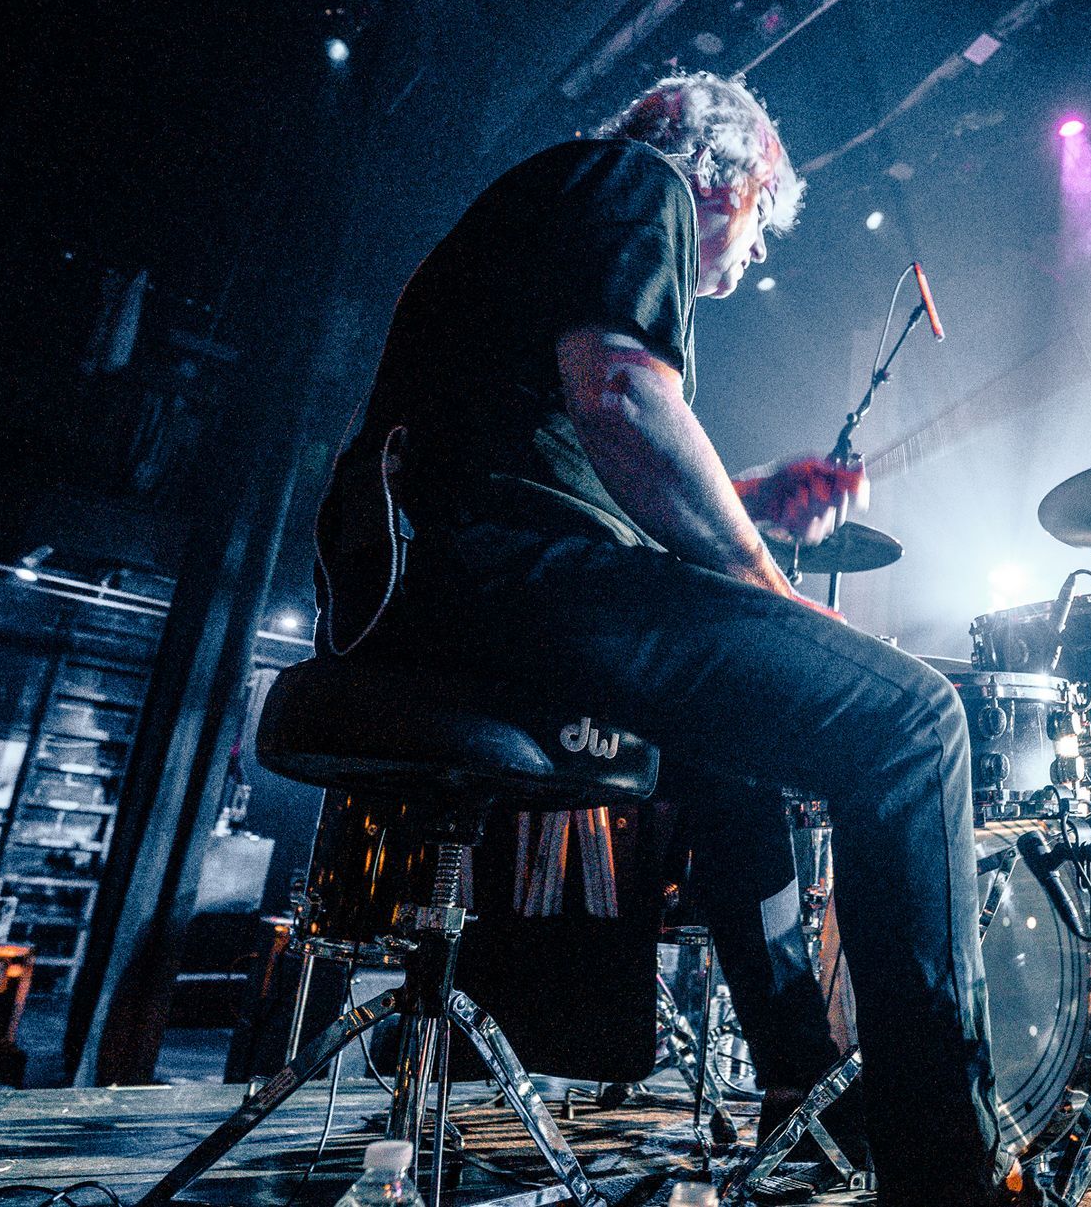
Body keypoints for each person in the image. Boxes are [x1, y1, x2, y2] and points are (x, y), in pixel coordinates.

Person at [316, 72, 1024, 1205]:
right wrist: (761, 577)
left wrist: (743, 496)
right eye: (753, 236)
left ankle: (801, 1077)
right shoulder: (631, 179)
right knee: (912, 720)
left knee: (735, 752)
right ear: (733, 184)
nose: (744, 272)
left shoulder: (538, 213)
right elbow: (624, 398)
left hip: (439, 585)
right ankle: (950, 1171)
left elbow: (570, 452)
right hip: (508, 582)